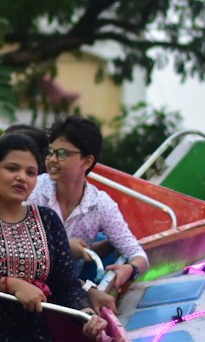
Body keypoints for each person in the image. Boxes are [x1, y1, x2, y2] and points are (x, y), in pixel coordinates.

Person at [0, 132, 107, 342]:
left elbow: (65, 284)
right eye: (12, 169)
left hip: (33, 338)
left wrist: (86, 314)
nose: (22, 177)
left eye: (31, 173)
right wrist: (10, 284)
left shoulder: (47, 220)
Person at [27, 115, 149, 297]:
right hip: (26, 285)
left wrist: (129, 269)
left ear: (87, 161)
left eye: (62, 154)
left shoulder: (100, 204)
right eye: (51, 152)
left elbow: (139, 255)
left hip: (67, 292)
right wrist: (63, 248)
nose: (52, 159)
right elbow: (11, 244)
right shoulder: (33, 189)